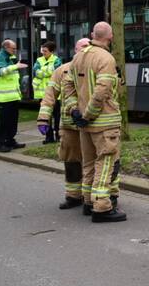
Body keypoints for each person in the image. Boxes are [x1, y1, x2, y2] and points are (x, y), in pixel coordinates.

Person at [69, 21, 127, 223]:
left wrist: (75, 111)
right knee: (105, 162)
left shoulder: (78, 56)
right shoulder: (106, 58)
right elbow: (103, 90)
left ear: (93, 35)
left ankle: (88, 202)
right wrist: (88, 114)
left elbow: (68, 86)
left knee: (89, 163)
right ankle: (102, 206)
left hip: (84, 124)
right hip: (103, 123)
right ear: (110, 38)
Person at [38, 38, 90, 210]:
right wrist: (43, 118)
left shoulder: (97, 67)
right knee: (71, 160)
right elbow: (49, 95)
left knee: (94, 162)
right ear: (75, 49)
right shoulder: (62, 70)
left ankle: (95, 198)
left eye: (88, 47)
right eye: (82, 47)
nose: (85, 50)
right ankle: (74, 196)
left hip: (92, 125)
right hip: (69, 126)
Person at [0, 39, 28, 153]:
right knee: (3, 122)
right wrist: (15, 66)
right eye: (13, 48)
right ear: (6, 48)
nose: (15, 50)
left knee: (12, 121)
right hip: (3, 98)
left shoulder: (11, 57)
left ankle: (10, 141)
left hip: (13, 96)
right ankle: (1, 144)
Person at [32, 41, 62, 144]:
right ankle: (49, 137)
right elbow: (35, 72)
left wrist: (42, 71)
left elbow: (56, 71)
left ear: (51, 51)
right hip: (42, 94)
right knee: (45, 117)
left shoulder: (57, 60)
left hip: (55, 93)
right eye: (42, 50)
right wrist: (48, 70)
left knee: (57, 116)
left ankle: (58, 135)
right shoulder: (39, 60)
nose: (43, 53)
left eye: (45, 51)